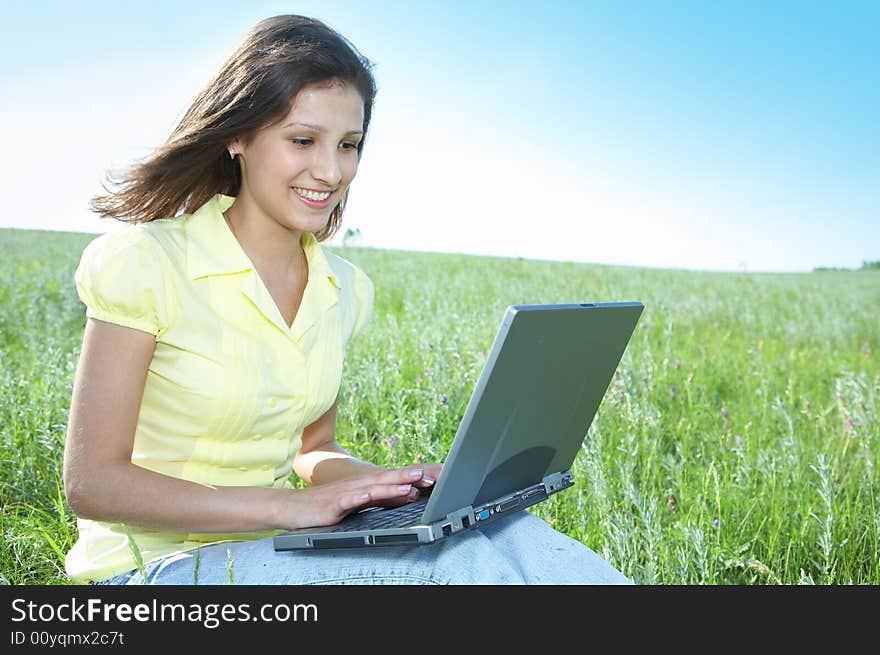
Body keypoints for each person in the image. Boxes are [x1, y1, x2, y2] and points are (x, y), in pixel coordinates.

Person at [62, 14, 632, 585]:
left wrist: (393, 484)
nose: (331, 171)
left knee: (515, 535)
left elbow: (314, 449)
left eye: (349, 145)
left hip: (276, 548)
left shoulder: (342, 288)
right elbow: (92, 483)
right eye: (302, 140)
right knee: (464, 569)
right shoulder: (145, 263)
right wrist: (282, 507)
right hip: (148, 572)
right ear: (236, 135)